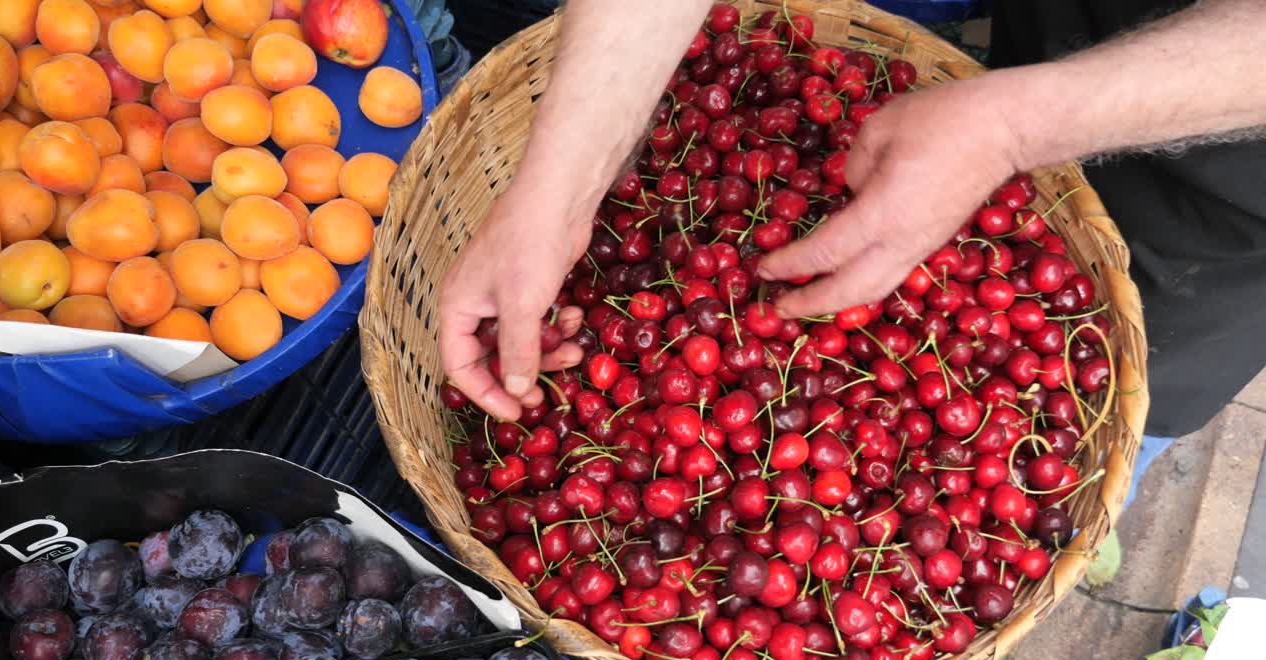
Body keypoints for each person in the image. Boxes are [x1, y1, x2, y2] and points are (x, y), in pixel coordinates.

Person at [437, 0, 1266, 489]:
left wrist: (1012, 127)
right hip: (1046, 51)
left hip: (1220, 214)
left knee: (1098, 397)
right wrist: (557, 191)